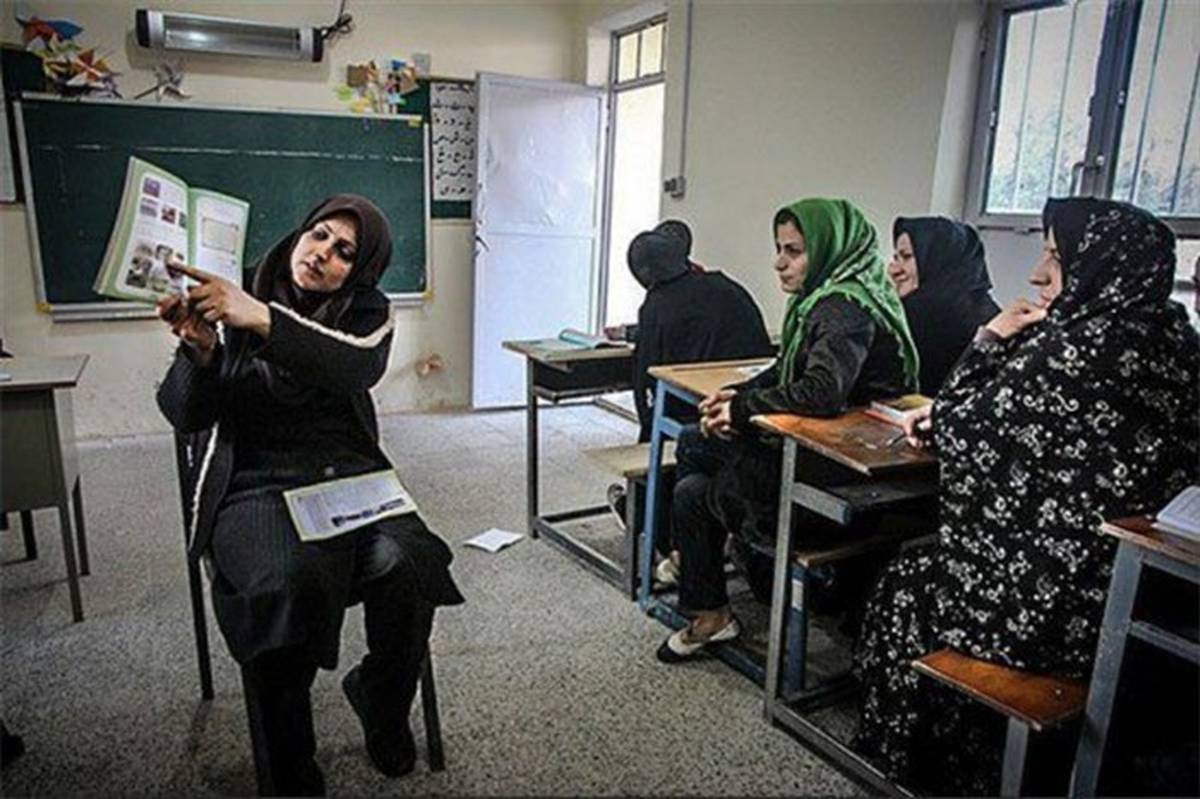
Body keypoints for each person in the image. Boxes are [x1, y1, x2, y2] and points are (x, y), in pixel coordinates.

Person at [852, 198, 1199, 795]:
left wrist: (990, 338)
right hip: (1141, 600)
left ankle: (923, 764)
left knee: (908, 579)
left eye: (1056, 259)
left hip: (1056, 611)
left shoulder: (1071, 350)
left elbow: (954, 427)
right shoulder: (1180, 345)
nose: (1038, 275)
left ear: (1100, 268)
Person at [156, 195, 464, 795]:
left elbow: (355, 365)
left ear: (361, 269)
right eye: (318, 235)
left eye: (344, 251)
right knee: (284, 585)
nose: (322, 254)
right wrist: (199, 349)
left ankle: (380, 700)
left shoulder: (365, 311)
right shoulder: (232, 291)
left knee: (410, 563)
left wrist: (261, 319)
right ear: (300, 234)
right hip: (255, 482)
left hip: (348, 476)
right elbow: (184, 414)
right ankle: (290, 767)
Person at [656, 198, 918, 662]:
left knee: (695, 464)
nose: (779, 262)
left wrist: (741, 411)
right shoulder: (821, 298)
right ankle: (708, 603)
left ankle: (701, 585)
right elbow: (788, 370)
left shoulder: (843, 307)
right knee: (693, 474)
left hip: (842, 476)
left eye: (793, 251)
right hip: (817, 451)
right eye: (779, 249)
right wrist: (737, 395)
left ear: (829, 248)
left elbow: (821, 391)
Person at [888, 216, 1001, 394]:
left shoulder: (914, 315)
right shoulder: (991, 314)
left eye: (907, 257)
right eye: (896, 258)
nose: (893, 270)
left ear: (938, 259)